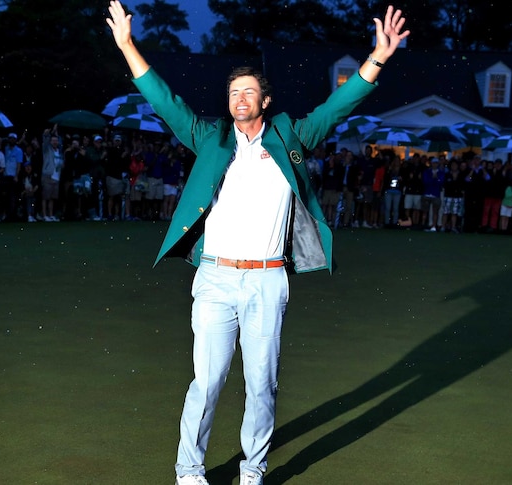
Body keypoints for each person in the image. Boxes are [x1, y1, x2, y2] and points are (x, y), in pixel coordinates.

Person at [106, 2, 410, 484]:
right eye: (234, 93)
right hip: (216, 278)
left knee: (262, 387)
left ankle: (253, 471)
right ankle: (189, 471)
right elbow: (166, 103)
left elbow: (337, 106)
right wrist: (126, 44)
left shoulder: (292, 135)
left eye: (249, 91)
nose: (240, 98)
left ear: (264, 101)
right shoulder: (210, 138)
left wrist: (377, 59)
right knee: (206, 384)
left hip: (268, 280)